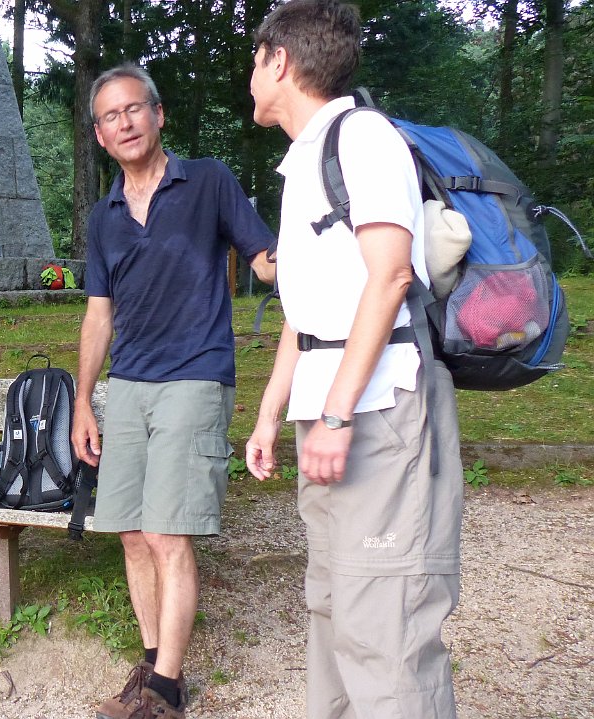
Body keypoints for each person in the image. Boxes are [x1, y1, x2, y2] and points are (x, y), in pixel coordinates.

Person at [244, 2, 462, 717]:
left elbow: (392, 275)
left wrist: (336, 413)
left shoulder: (362, 140)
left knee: (386, 617)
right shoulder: (304, 162)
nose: (251, 75)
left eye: (255, 60)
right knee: (334, 605)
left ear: (280, 61)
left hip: (376, 409)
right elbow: (307, 313)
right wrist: (272, 412)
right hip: (332, 408)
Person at [71, 65, 276, 719]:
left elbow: (263, 256)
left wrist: (300, 257)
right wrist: (83, 400)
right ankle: (157, 667)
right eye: (111, 116)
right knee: (130, 531)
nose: (125, 122)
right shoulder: (103, 217)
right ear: (101, 136)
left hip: (195, 373)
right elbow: (98, 314)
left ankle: (164, 688)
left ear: (158, 116)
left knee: (167, 533)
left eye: (136, 109)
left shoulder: (208, 179)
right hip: (128, 384)